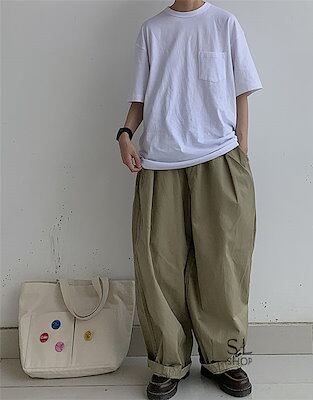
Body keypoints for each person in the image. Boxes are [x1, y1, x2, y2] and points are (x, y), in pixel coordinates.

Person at [116, 1, 262, 398]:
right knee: (158, 266)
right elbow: (140, 99)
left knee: (224, 263)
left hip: (220, 157)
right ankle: (168, 363)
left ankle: (224, 360)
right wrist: (124, 134)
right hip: (159, 162)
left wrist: (241, 150)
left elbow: (242, 92)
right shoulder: (152, 30)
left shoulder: (224, 24)